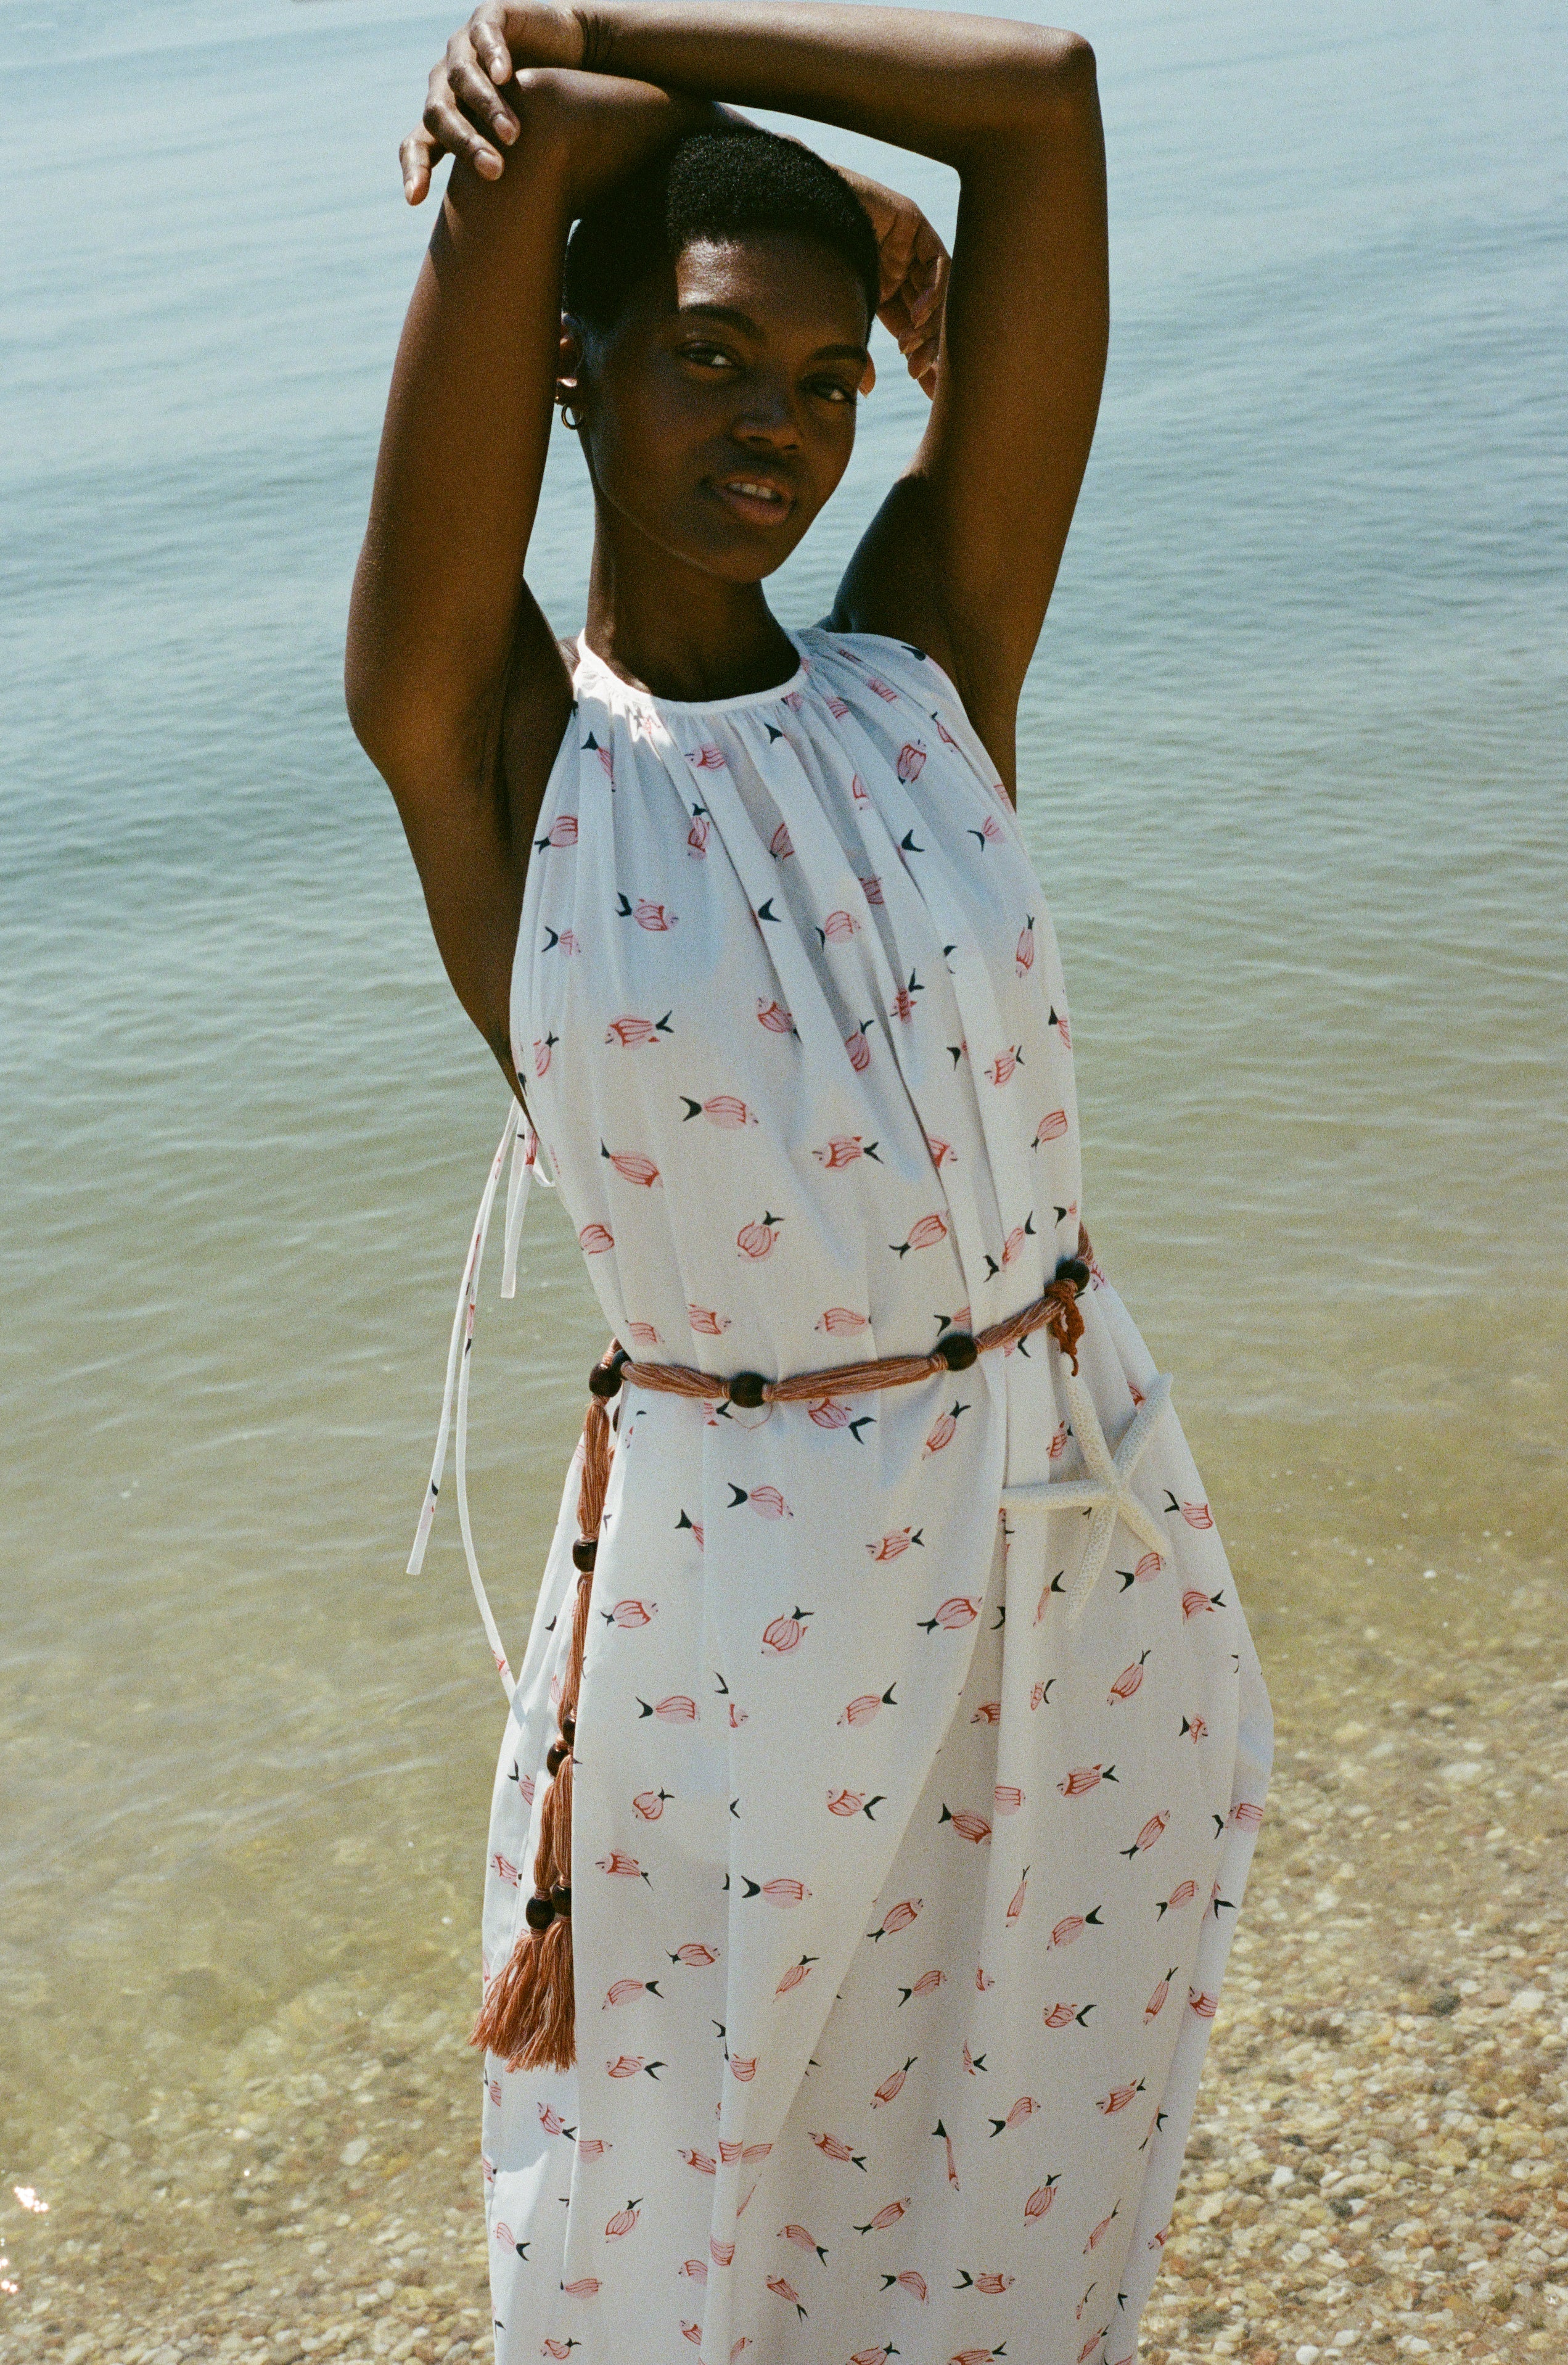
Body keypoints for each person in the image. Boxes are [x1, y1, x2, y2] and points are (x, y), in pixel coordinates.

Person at [345, 8, 1273, 2363]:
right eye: (706, 357)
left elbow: (1040, 99)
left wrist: (617, 33)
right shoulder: (501, 746)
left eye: (832, 375)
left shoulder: (921, 667)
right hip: (744, 1608)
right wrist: (593, 112)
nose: (777, 424)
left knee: (1021, 2180)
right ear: (573, 365)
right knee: (699, 2221)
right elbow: (530, 159)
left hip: (1066, 1529)